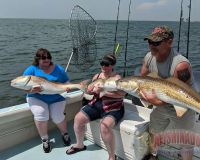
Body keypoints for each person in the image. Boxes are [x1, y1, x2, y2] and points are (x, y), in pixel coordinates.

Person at [140, 26, 195, 160]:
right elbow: (143, 78)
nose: (151, 46)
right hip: (161, 104)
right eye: (149, 42)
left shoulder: (180, 65)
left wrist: (155, 101)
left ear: (169, 42)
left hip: (184, 104)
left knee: (185, 141)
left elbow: (181, 95)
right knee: (153, 130)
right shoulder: (148, 57)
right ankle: (153, 155)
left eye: (156, 43)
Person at [66, 53, 126, 160]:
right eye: (102, 64)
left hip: (114, 106)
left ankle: (112, 156)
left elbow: (122, 95)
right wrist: (89, 90)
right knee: (78, 118)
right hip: (97, 104)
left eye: (107, 64)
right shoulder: (97, 76)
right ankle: (80, 145)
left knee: (105, 126)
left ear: (112, 66)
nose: (103, 67)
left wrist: (104, 92)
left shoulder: (117, 78)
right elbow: (90, 91)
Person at [23, 48, 71, 153]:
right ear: (37, 59)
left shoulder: (58, 68)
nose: (47, 59)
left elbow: (66, 81)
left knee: (57, 115)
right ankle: (45, 139)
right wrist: (31, 90)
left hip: (56, 97)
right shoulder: (31, 70)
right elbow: (24, 88)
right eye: (43, 58)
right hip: (36, 97)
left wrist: (67, 87)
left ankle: (65, 134)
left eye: (48, 57)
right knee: (41, 113)